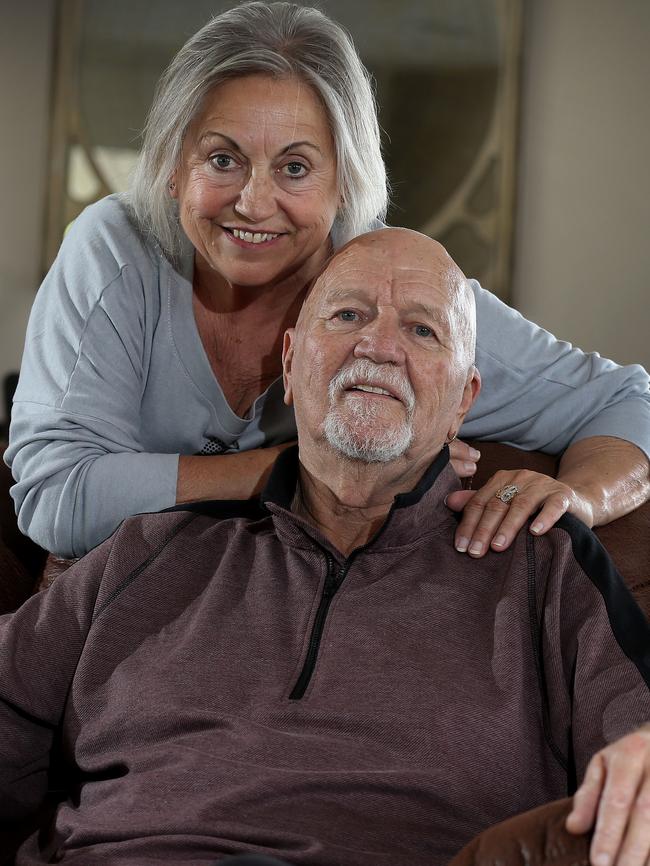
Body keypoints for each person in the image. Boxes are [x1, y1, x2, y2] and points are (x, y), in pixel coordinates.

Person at [1, 229, 649, 866]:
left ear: (464, 401)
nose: (378, 344)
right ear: (289, 363)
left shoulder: (543, 563)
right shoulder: (148, 547)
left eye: (423, 330)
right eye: (347, 314)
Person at [5, 2, 650, 560]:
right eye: (223, 159)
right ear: (174, 168)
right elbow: (54, 500)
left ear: (345, 185)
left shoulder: (405, 305)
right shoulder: (114, 251)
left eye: (294, 168)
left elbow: (628, 400)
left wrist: (581, 499)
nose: (254, 204)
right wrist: (293, 471)